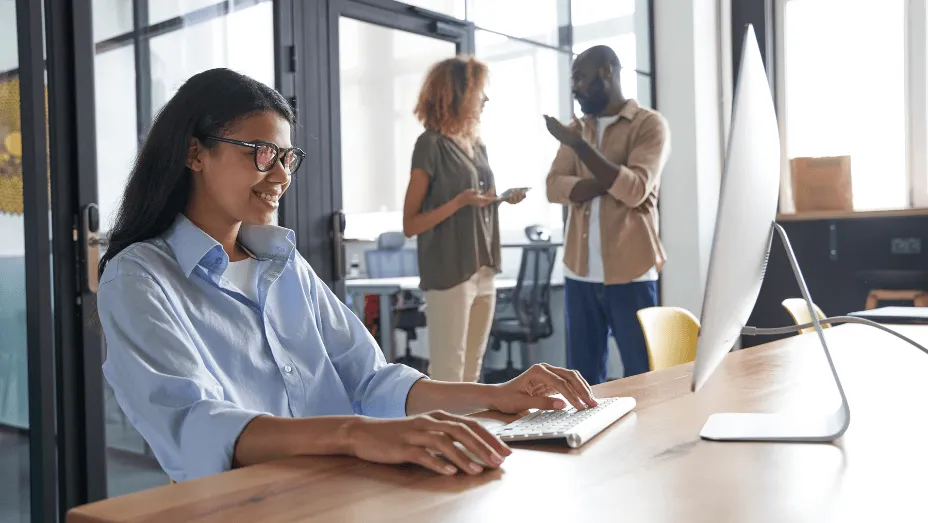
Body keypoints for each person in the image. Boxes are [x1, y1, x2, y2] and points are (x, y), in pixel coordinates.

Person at [96, 68, 595, 483]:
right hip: (250, 505)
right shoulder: (140, 279)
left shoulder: (283, 263)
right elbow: (194, 425)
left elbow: (371, 380)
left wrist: (497, 394)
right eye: (261, 153)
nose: (282, 176)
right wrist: (357, 434)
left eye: (287, 158)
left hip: (348, 486)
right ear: (195, 153)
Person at [544, 45, 671, 385]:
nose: (574, 87)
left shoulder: (649, 125)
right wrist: (608, 179)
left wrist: (582, 150)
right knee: (582, 381)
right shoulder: (578, 128)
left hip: (632, 272)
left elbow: (635, 189)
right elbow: (553, 187)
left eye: (580, 78)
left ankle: (649, 439)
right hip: (579, 273)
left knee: (642, 375)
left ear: (607, 73)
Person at [402, 56, 526, 383]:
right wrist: (458, 202)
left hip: (482, 266)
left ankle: (469, 433)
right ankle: (439, 435)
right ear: (456, 94)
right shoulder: (429, 145)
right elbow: (410, 224)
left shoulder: (477, 145)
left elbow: (480, 200)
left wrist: (501, 198)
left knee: (472, 370)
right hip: (449, 269)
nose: (485, 99)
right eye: (479, 92)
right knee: (448, 370)